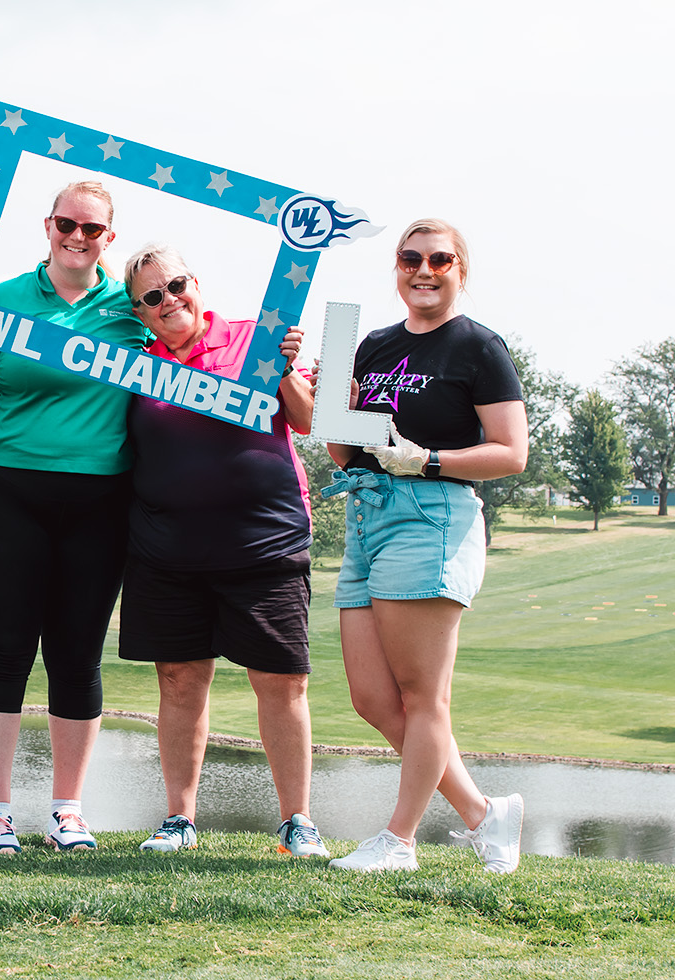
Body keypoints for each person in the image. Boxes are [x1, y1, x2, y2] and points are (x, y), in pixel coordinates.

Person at [0, 180, 150, 854]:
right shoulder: (1, 300)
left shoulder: (132, 307)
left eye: (92, 229)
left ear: (110, 236)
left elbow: (192, 363)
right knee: (3, 649)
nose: (77, 238)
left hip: (100, 498)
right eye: (65, 225)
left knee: (77, 656)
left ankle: (66, 812)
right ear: (46, 226)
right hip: (4, 491)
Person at [322, 218, 527, 873]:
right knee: (373, 700)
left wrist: (429, 461)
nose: (423, 270)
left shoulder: (477, 347)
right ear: (397, 266)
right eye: (411, 258)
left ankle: (399, 840)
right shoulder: (373, 345)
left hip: (432, 517)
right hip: (366, 514)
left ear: (458, 269)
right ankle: (483, 814)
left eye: (439, 259)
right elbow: (347, 449)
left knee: (421, 697)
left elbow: (511, 452)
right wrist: (331, 397)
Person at [119, 244, 329, 858]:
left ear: (197, 284)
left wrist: (286, 370)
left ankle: (297, 822)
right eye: (151, 298)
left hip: (265, 543)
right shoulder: (130, 365)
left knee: (281, 682)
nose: (168, 301)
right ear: (139, 313)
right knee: (180, 681)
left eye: (176, 285)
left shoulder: (257, 338)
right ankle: (179, 820)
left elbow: (312, 420)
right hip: (167, 551)